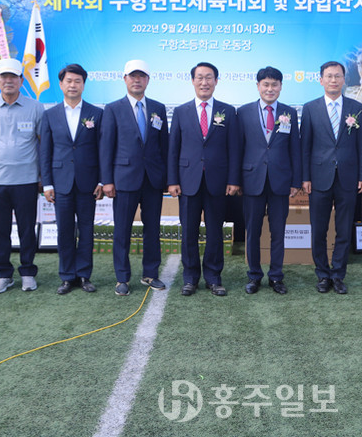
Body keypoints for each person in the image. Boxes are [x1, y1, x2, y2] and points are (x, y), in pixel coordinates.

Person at [168, 62, 241, 296]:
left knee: (215, 232)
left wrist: (233, 180)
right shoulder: (181, 111)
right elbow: (173, 149)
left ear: (216, 81)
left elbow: (234, 148)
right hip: (187, 181)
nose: (204, 82)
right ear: (192, 81)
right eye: (199, 77)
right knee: (188, 232)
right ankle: (190, 278)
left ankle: (213, 277)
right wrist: (172, 180)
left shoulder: (228, 111)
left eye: (209, 77)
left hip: (217, 182)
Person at [99, 60, 169, 296]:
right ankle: (122, 277)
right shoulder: (112, 109)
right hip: (124, 179)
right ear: (125, 79)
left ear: (148, 80)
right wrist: (107, 180)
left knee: (153, 229)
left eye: (141, 76)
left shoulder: (158, 108)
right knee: (122, 230)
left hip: (153, 180)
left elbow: (164, 146)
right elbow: (106, 147)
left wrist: (167, 178)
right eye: (132, 76)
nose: (137, 80)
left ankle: (150, 273)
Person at [0, 57, 45, 294]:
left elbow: (42, 144)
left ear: (21, 80)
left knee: (27, 229)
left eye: (13, 77)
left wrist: (42, 177)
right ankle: (3, 274)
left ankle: (27, 272)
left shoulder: (35, 107)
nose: (8, 81)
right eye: (4, 77)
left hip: (27, 180)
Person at [300, 61, 362, 295]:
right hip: (318, 177)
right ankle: (322, 274)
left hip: (348, 177)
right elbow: (305, 146)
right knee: (318, 229)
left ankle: (338, 274)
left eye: (337, 76)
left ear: (344, 80)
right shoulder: (310, 108)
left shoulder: (356, 108)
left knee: (343, 228)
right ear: (321, 80)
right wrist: (305, 177)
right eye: (329, 76)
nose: (333, 80)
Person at [237, 66, 301, 295]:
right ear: (258, 86)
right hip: (251, 180)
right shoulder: (243, 112)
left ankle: (276, 276)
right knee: (252, 231)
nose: (270, 89)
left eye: (275, 84)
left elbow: (295, 149)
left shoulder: (289, 113)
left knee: (278, 232)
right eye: (266, 84)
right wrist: (236, 180)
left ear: (281, 87)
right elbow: (238, 148)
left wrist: (296, 181)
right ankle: (254, 276)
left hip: (280, 181)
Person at [41, 64, 104, 294]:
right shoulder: (50, 115)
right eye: (69, 81)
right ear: (61, 84)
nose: (73, 85)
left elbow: (102, 150)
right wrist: (47, 183)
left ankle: (84, 275)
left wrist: (101, 180)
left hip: (88, 183)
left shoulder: (96, 113)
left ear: (83, 85)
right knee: (65, 231)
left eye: (78, 81)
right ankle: (67, 276)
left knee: (86, 231)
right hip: (61, 183)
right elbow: (45, 151)